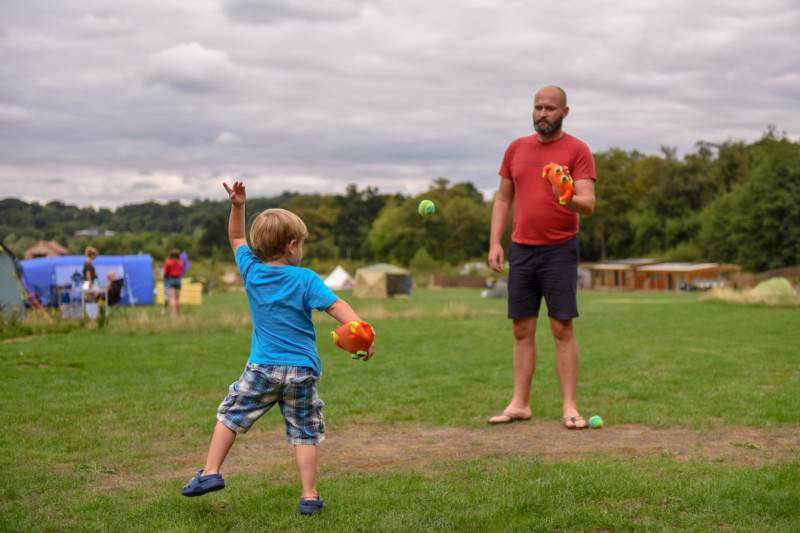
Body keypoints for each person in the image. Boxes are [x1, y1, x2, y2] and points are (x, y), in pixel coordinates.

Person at [181, 180, 375, 515]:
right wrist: (362, 333)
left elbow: (236, 237)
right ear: (292, 245)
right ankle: (309, 496)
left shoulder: (251, 271)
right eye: (302, 244)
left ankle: (211, 471)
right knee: (305, 432)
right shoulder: (305, 279)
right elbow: (336, 306)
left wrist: (238, 206)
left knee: (230, 416)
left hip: (263, 368)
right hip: (301, 371)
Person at [487, 86, 596, 430]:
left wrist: (566, 195)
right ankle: (520, 404)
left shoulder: (577, 150)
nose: (542, 114)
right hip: (521, 249)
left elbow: (588, 203)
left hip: (560, 249)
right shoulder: (516, 149)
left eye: (550, 108)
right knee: (522, 328)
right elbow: (503, 199)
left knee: (561, 327)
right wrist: (495, 242)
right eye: (538, 107)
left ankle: (570, 406)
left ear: (565, 112)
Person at [162, 249, 184, 317]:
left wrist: (164, 277)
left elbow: (165, 272)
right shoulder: (180, 262)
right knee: (177, 298)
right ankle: (178, 313)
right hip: (178, 280)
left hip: (171, 279)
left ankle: (173, 314)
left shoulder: (168, 262)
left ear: (170, 255)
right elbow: (181, 271)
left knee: (172, 298)